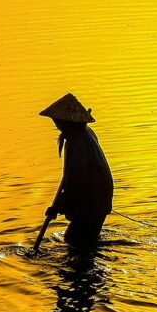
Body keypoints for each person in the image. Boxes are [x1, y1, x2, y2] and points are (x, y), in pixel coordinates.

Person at [34, 93, 113, 250]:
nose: (56, 123)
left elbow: (77, 179)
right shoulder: (78, 134)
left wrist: (59, 206)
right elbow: (71, 177)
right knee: (83, 240)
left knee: (75, 240)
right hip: (95, 194)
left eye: (57, 120)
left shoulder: (78, 139)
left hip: (95, 196)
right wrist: (60, 204)